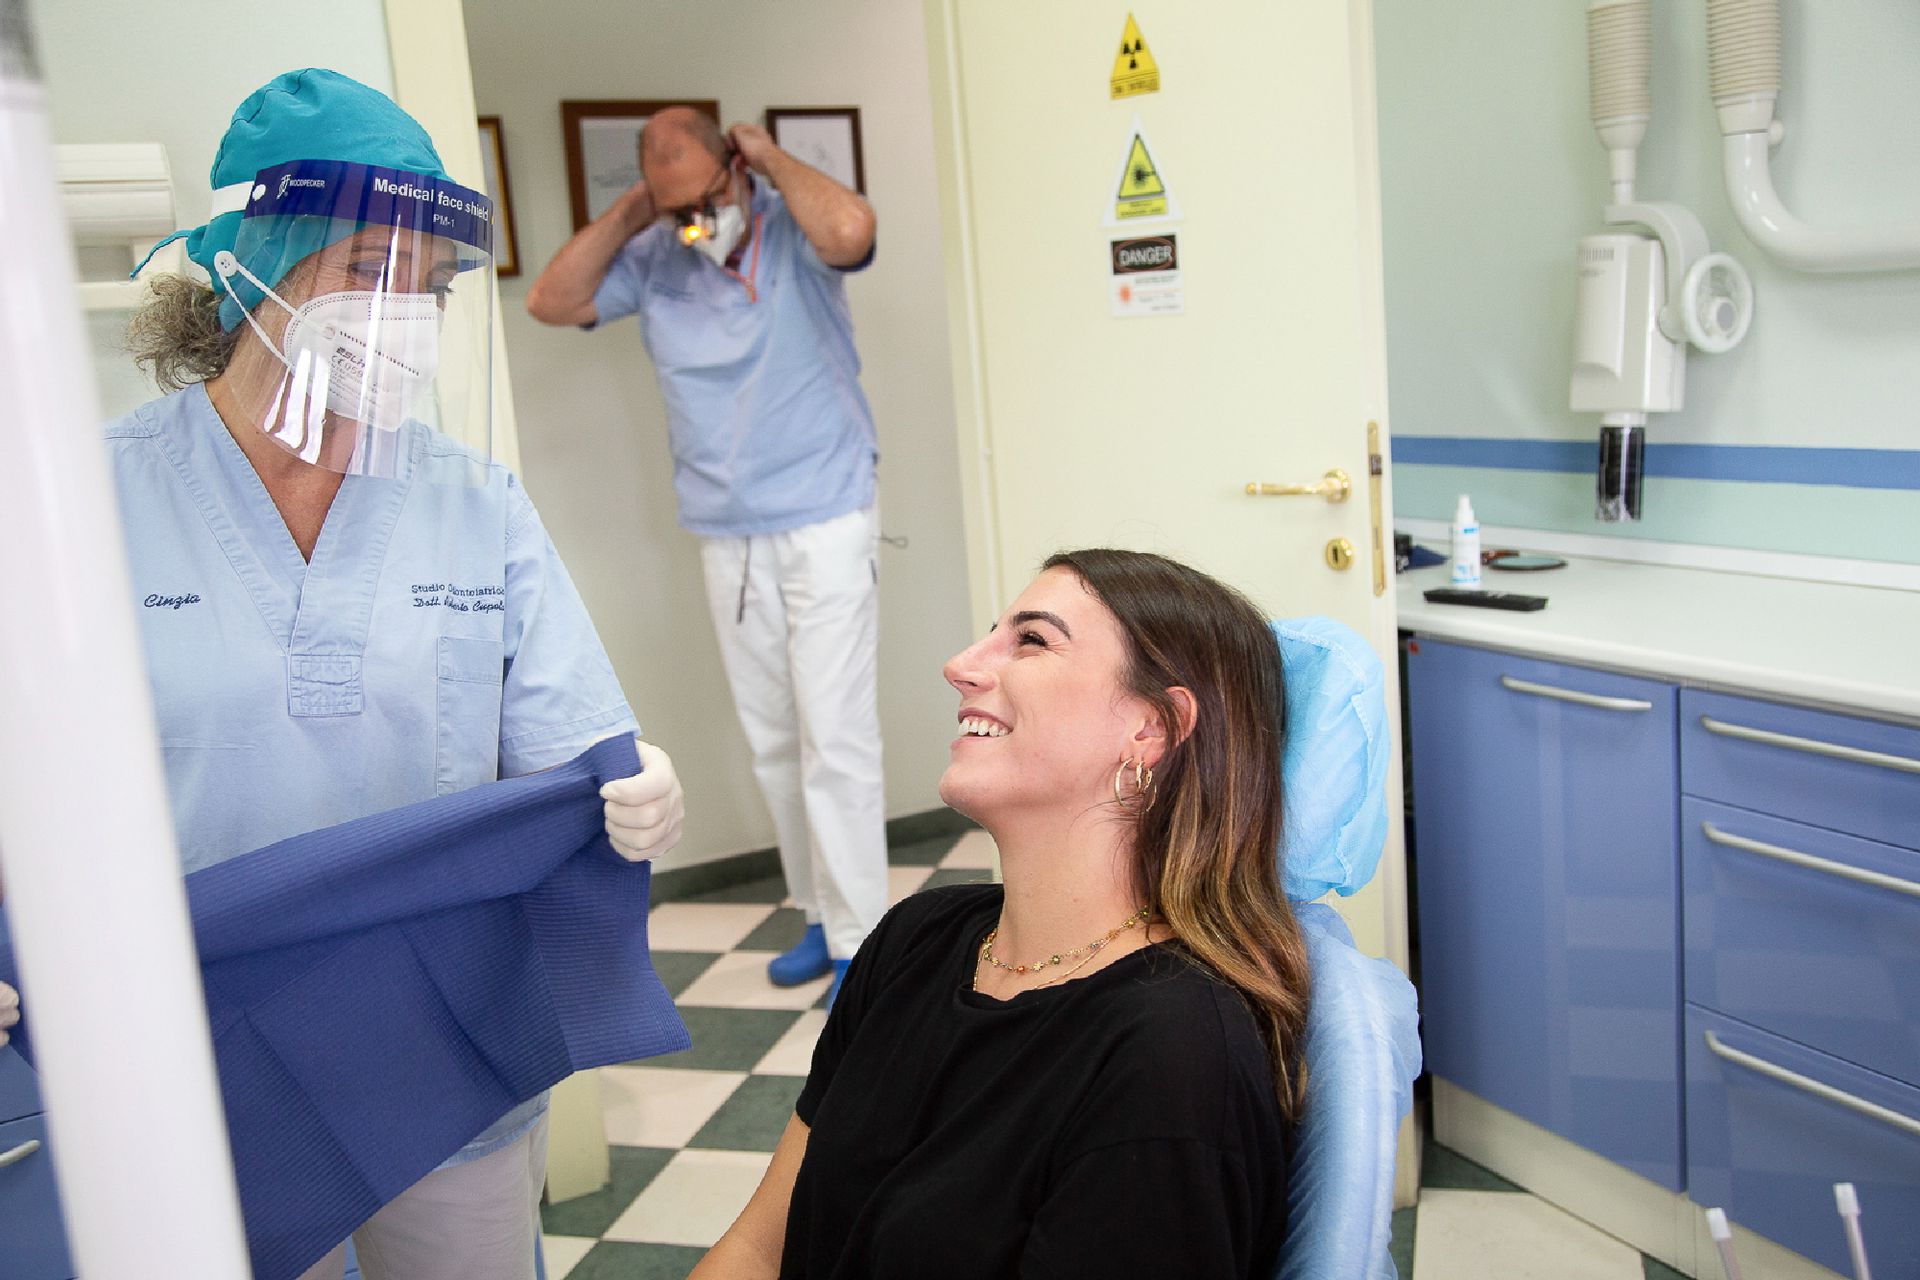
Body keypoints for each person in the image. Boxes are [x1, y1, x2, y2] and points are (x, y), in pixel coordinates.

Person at [104, 69, 683, 1279]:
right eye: (370, 271)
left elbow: (570, 750)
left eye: (429, 284)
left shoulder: (474, 502)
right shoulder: (85, 508)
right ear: (256, 263)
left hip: (442, 1044)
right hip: (204, 1055)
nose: (404, 315)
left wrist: (627, 784)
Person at [691, 549, 1311, 1279]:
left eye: (1033, 640)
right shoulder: (916, 938)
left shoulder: (1171, 1057)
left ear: (1151, 729)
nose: (961, 664)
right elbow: (761, 1250)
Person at [526, 107, 885, 1001]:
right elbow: (552, 300)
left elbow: (853, 230)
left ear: (735, 164)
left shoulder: (793, 234)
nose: (696, 218)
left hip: (826, 514)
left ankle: (863, 944)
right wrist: (635, 212)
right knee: (772, 739)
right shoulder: (658, 256)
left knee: (834, 738)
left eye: (704, 193)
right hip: (727, 530)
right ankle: (816, 913)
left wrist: (768, 158)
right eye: (670, 199)